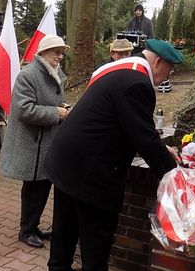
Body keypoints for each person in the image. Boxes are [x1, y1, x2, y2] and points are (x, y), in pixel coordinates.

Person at [45, 39, 184, 271]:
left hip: (66, 161)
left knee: (64, 233)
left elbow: (121, 122)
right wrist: (176, 177)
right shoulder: (138, 83)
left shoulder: (116, 69)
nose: (169, 75)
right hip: (92, 172)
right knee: (95, 244)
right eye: (170, 69)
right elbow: (143, 137)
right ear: (159, 61)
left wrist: (160, 146)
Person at [0, 34, 70, 249]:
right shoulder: (28, 75)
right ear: (43, 53)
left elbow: (51, 101)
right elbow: (24, 110)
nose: (60, 56)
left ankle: (33, 226)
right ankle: (26, 230)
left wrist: (62, 108)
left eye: (61, 53)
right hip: (32, 144)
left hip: (44, 143)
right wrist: (56, 113)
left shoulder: (53, 73)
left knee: (42, 186)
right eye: (56, 52)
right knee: (33, 188)